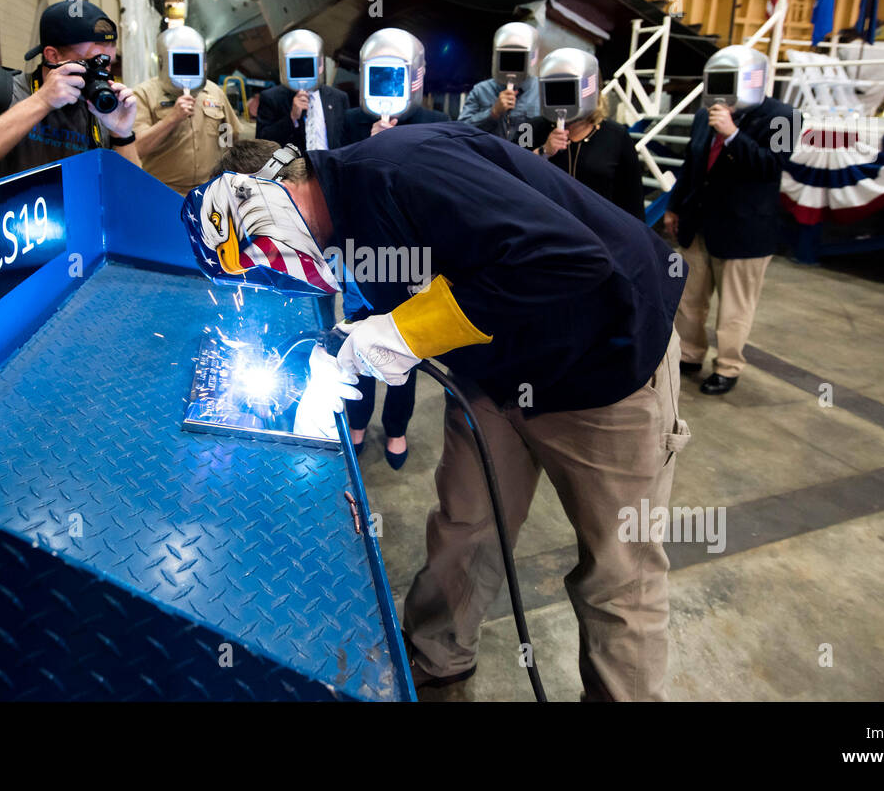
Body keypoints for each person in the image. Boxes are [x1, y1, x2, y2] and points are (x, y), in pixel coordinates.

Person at [187, 121, 690, 701]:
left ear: (263, 201)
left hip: (604, 368)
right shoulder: (345, 227)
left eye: (261, 257)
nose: (274, 269)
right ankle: (435, 656)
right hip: (496, 374)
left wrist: (401, 333)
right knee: (465, 525)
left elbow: (567, 262)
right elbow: (441, 290)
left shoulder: (405, 169)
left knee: (617, 573)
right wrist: (354, 343)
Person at [662, 45, 795, 395]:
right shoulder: (705, 114)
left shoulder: (783, 116)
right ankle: (689, 354)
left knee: (735, 307)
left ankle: (727, 367)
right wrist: (675, 206)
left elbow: (771, 166)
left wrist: (733, 134)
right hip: (699, 224)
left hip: (744, 231)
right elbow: (692, 166)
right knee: (689, 300)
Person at [0, 0, 139, 195]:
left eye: (108, 63)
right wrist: (42, 101)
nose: (102, 72)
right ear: (53, 56)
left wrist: (122, 133)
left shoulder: (99, 108)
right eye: (94, 62)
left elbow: (130, 193)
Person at [132, 24, 247, 195]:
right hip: (162, 191)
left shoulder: (214, 92)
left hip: (208, 191)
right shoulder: (143, 94)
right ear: (163, 62)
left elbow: (230, 138)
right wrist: (172, 119)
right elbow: (136, 149)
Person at [524, 92, 645, 221]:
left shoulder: (617, 135)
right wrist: (543, 151)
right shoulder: (530, 127)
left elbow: (632, 197)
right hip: (544, 226)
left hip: (598, 230)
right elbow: (512, 172)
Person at [339, 28, 448, 144]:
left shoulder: (437, 123)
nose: (389, 83)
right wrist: (370, 145)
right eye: (383, 75)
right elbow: (344, 160)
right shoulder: (351, 120)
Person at [255, 29, 349, 150]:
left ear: (320, 65)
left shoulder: (339, 98)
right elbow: (261, 143)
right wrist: (292, 118)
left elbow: (348, 141)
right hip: (293, 167)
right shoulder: (272, 98)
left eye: (308, 63)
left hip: (329, 166)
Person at [457, 21, 541, 142]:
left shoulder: (543, 92)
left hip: (529, 158)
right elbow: (460, 130)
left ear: (532, 56)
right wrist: (493, 113)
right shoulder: (481, 90)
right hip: (487, 158)